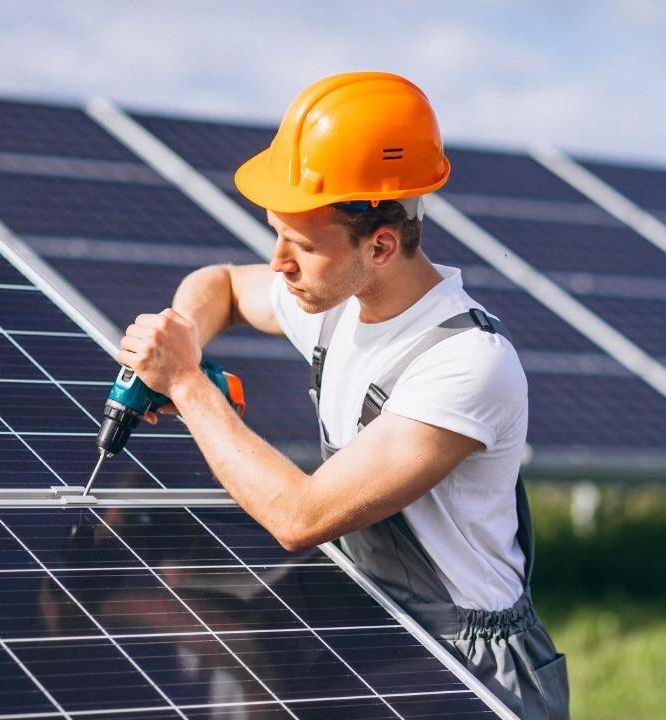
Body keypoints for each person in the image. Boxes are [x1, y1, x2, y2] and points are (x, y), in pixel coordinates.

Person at [117, 71, 569, 719]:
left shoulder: (464, 364)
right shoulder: (336, 301)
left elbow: (299, 518)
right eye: (276, 234)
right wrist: (181, 332)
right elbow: (216, 281)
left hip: (466, 664)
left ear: (381, 245)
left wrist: (187, 383)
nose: (278, 263)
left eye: (300, 243)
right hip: (376, 615)